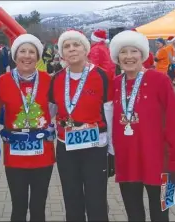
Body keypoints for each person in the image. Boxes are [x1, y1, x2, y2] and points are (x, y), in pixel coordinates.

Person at [109, 30, 175, 222]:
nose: (128, 57)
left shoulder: (160, 80)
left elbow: (174, 122)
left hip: (163, 163)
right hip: (128, 163)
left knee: (162, 213)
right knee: (134, 215)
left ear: (142, 55)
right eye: (123, 52)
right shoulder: (115, 84)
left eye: (133, 51)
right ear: (117, 57)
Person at [50, 29, 114, 221]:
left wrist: (112, 150)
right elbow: (50, 112)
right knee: (72, 198)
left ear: (86, 49)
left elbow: (109, 113)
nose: (72, 49)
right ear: (62, 53)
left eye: (76, 45)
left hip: (95, 147)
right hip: (66, 146)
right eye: (67, 46)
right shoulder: (57, 78)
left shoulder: (101, 76)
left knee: (96, 200)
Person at [0, 34, 56, 222]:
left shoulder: (49, 80)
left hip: (43, 155)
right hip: (15, 156)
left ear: (38, 57)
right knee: (18, 206)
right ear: (15, 56)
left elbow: (59, 109)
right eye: (22, 51)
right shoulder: (2, 82)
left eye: (32, 52)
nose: (27, 56)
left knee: (38, 207)